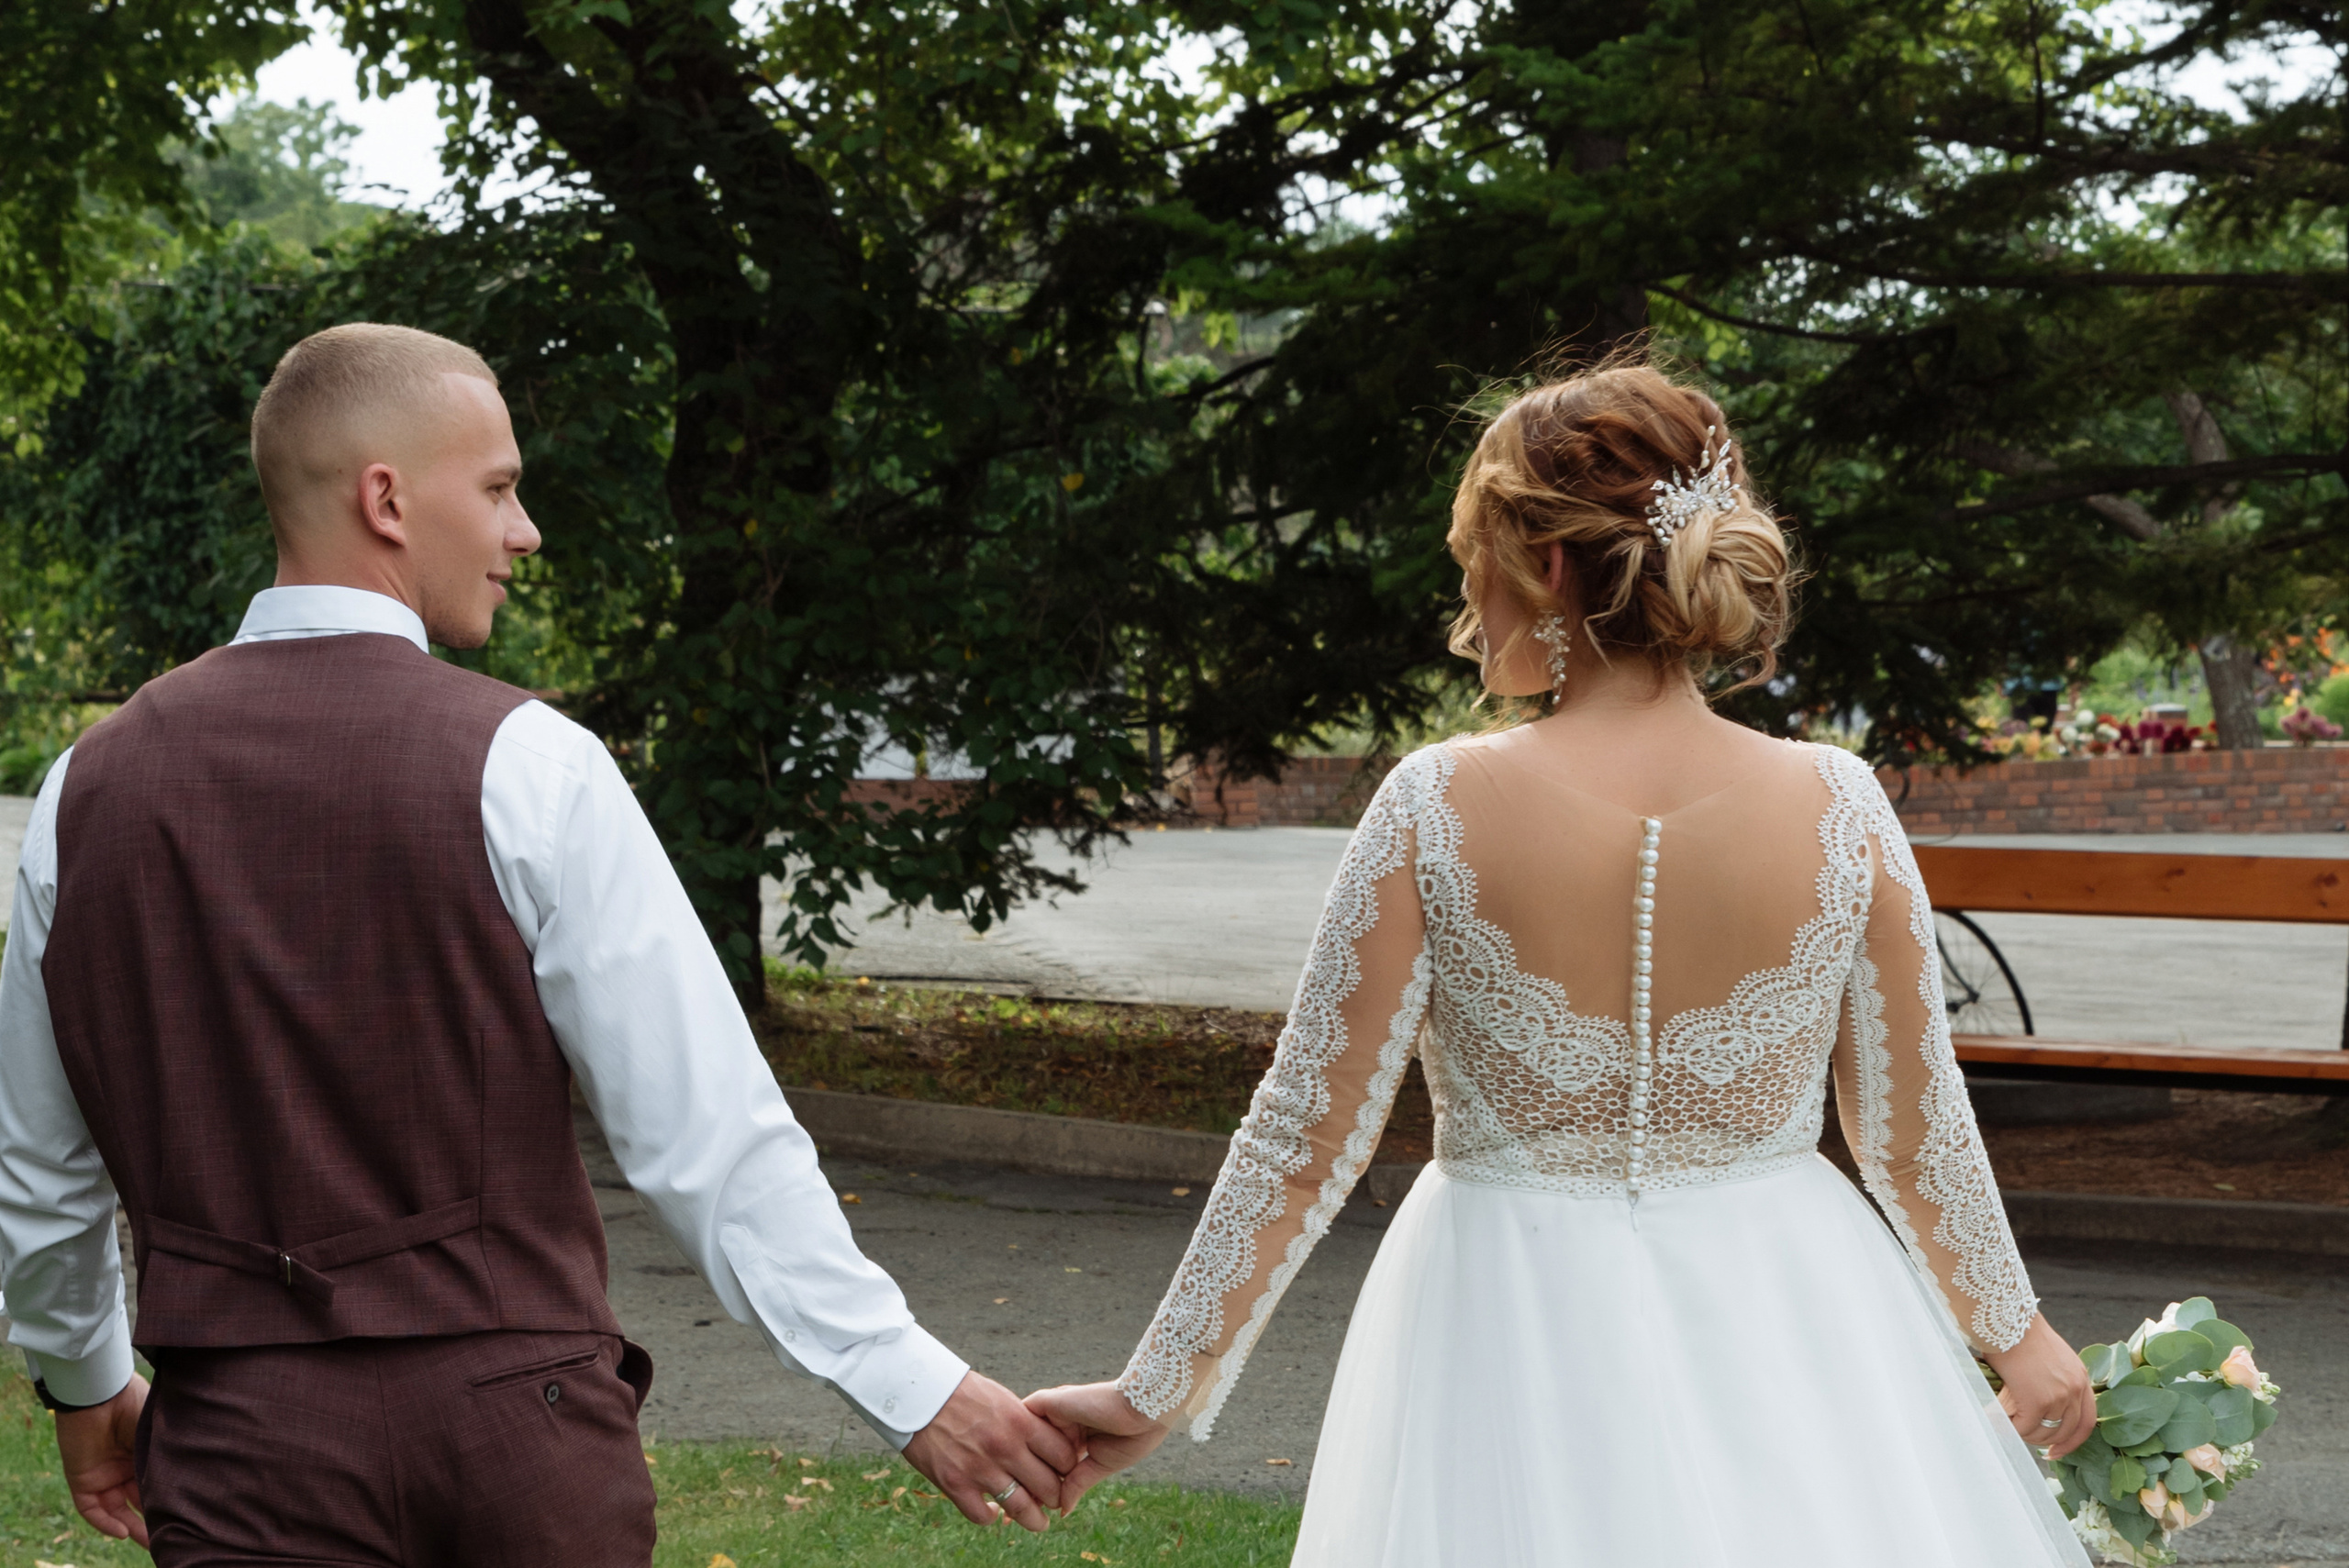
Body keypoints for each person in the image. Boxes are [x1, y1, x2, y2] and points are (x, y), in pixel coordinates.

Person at [0, 323, 1075, 1563]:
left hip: (244, 1451)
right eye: (501, 487)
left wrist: (84, 1392)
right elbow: (706, 1134)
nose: (526, 532)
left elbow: (42, 1168)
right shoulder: (530, 762)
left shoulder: (86, 786)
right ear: (387, 499)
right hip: (519, 1449)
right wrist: (912, 1384)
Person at [1028, 361, 2098, 1565]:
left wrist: (1155, 1385)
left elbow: (1301, 1138)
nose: (1462, 605)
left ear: (1544, 567)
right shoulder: (1838, 804)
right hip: (1790, 1310)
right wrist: (2018, 1333)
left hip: (1501, 1317)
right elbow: (1911, 1128)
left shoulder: (1434, 804)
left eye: (1468, 557)